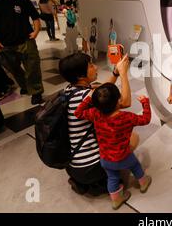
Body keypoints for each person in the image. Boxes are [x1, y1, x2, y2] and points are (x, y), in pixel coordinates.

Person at [58, 52, 137, 196]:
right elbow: (125, 102)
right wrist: (124, 74)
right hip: (92, 167)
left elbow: (102, 92)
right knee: (133, 137)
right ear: (80, 76)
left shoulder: (70, 91)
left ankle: (86, 182)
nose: (96, 67)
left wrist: (115, 72)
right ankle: (107, 180)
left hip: (73, 166)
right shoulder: (85, 95)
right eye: (91, 66)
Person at [74, 83, 152, 210]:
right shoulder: (127, 117)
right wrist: (145, 103)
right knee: (136, 166)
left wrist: (89, 97)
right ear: (119, 100)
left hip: (105, 159)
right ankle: (143, 183)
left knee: (112, 177)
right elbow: (145, 119)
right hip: (125, 157)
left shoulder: (95, 113)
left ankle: (116, 200)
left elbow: (77, 113)